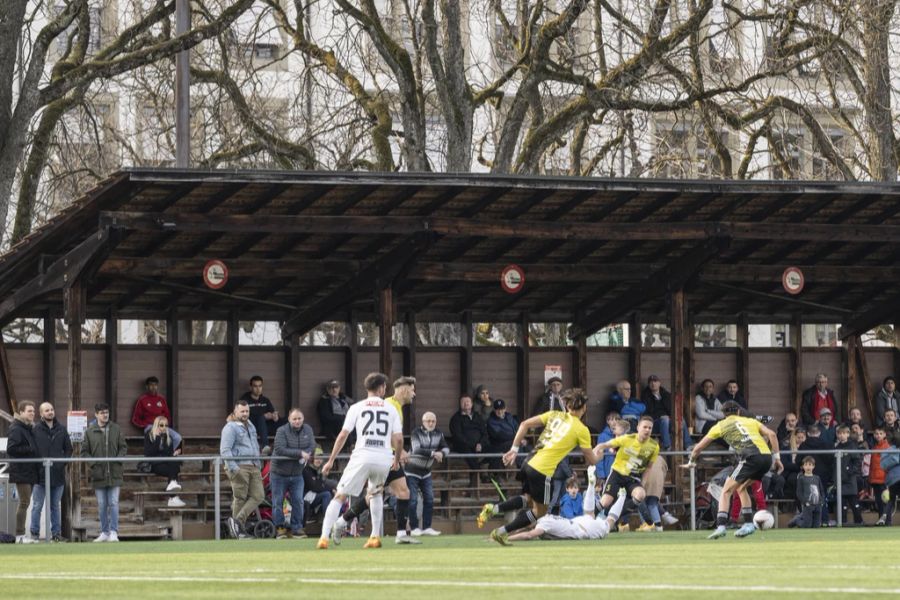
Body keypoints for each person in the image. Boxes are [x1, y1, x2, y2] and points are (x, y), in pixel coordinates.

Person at [477, 388, 598, 546]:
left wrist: (514, 449)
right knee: (540, 511)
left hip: (529, 462)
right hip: (542, 470)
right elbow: (592, 460)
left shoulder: (555, 415)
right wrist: (600, 450)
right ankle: (500, 533)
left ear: (567, 407)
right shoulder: (582, 430)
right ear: (584, 408)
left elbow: (524, 424)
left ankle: (493, 508)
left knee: (529, 500)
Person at [317, 372, 403, 550]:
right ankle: (375, 537)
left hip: (362, 455)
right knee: (376, 493)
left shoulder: (356, 407)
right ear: (381, 388)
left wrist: (331, 460)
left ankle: (324, 538)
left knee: (340, 495)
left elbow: (343, 435)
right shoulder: (390, 408)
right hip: (383, 457)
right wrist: (396, 459)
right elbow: (399, 440)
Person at [330, 376, 419, 545]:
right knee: (393, 492)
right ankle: (396, 533)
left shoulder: (394, 406)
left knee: (379, 493)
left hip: (382, 456)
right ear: (403, 389)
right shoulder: (389, 406)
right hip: (384, 457)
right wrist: (400, 454)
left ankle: (343, 522)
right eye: (412, 389)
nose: (414, 394)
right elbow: (393, 437)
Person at [684, 400, 783, 539]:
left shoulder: (720, 425)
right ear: (738, 411)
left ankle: (721, 526)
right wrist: (777, 458)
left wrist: (691, 462)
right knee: (741, 488)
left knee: (726, 491)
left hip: (750, 457)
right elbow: (772, 434)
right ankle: (748, 524)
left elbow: (699, 447)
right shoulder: (750, 421)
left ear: (723, 414)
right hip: (766, 458)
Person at [505, 465, 627, 542]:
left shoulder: (544, 525)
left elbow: (528, 535)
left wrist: (506, 538)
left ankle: (622, 496)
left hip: (584, 530)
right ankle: (591, 485)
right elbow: (526, 528)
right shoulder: (546, 518)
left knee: (609, 523)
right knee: (589, 514)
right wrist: (511, 531)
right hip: (579, 522)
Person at [593, 415, 659, 519]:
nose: (647, 430)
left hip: (633, 478)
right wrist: (598, 447)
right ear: (638, 427)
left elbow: (649, 468)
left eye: (650, 428)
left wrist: (642, 484)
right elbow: (607, 444)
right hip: (617, 473)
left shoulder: (654, 446)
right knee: (605, 502)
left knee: (641, 494)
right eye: (645, 427)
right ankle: (589, 517)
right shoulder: (627, 439)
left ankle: (616, 514)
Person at [82, 403, 127, 543]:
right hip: (98, 473)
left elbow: (123, 447)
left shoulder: (116, 428)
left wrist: (118, 460)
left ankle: (114, 531)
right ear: (96, 414)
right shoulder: (89, 431)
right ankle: (104, 532)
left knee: (113, 502)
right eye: (102, 412)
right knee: (102, 504)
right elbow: (84, 453)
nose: (105, 415)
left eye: (106, 412)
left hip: (114, 472)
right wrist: (94, 465)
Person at [220, 399, 264, 539]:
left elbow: (255, 445)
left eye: (247, 411)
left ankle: (236, 522)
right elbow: (225, 450)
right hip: (239, 466)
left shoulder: (250, 425)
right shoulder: (230, 427)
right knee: (240, 498)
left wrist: (258, 463)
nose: (245, 414)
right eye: (242, 411)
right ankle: (238, 531)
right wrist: (234, 468)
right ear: (235, 411)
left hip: (254, 465)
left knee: (259, 496)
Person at [31, 402, 72, 543]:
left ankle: (56, 534)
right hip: (40, 476)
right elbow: (32, 450)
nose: (50, 412)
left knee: (55, 506)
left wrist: (61, 464)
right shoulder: (35, 429)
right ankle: (34, 534)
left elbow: (69, 450)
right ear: (41, 414)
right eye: (47, 410)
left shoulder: (62, 429)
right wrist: (37, 467)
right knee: (37, 506)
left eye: (52, 409)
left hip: (57, 475)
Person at [271, 408, 316, 539]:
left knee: (298, 501)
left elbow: (312, 445)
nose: (297, 421)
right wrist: (300, 454)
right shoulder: (281, 431)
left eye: (299, 418)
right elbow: (279, 449)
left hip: (297, 473)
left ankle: (296, 528)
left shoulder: (308, 429)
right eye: (294, 419)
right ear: (289, 420)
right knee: (278, 501)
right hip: (279, 473)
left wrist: (307, 453)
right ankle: (280, 528)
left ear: (303, 419)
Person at [406, 411, 449, 536]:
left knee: (430, 499)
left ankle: (427, 527)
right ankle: (414, 528)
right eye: (428, 421)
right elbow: (416, 449)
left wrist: (442, 453)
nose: (431, 423)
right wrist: (433, 453)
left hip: (426, 472)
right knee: (413, 500)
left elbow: (446, 447)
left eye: (433, 421)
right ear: (423, 422)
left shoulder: (439, 433)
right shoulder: (416, 432)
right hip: (412, 471)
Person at [7, 401, 39, 543]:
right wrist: (30, 449)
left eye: (33, 411)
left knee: (25, 502)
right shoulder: (16, 428)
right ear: (21, 412)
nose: (32, 413)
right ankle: (20, 535)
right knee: (24, 502)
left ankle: (22, 535)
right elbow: (11, 449)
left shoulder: (29, 428)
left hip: (29, 470)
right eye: (29, 411)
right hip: (21, 471)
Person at [641, 374, 692, 451]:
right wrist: (660, 416)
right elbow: (646, 412)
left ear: (659, 383)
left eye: (655, 381)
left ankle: (688, 445)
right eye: (651, 382)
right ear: (648, 384)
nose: (653, 384)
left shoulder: (666, 394)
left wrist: (673, 417)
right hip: (654, 422)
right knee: (664, 419)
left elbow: (672, 409)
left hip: (667, 420)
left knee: (681, 420)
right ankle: (667, 446)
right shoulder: (645, 395)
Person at [143, 416, 185, 507]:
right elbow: (149, 453)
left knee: (175, 464)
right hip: (154, 463)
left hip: (165, 461)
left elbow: (168, 453)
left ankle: (172, 488)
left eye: (166, 425)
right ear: (156, 425)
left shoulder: (168, 437)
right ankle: (173, 497)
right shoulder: (149, 436)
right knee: (174, 470)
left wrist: (174, 453)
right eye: (161, 425)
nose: (164, 427)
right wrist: (157, 438)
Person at [637, 455, 679, 531]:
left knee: (640, 502)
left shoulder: (642, 456)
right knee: (652, 503)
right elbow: (665, 469)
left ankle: (646, 525)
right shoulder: (660, 458)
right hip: (658, 482)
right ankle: (659, 524)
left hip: (645, 481)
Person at [239, 375, 278, 453]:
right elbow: (243, 415)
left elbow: (272, 412)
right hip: (251, 426)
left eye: (260, 386)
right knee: (260, 417)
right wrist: (263, 416)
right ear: (250, 387)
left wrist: (274, 416)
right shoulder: (245, 399)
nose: (258, 389)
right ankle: (265, 446)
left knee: (286, 419)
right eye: (255, 386)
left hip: (265, 427)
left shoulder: (265, 400)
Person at [449, 394, 488, 470]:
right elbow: (458, 436)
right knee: (467, 452)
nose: (466, 403)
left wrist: (480, 444)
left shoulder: (477, 416)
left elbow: (485, 433)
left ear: (472, 404)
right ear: (460, 404)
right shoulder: (456, 418)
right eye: (463, 402)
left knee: (496, 451)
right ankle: (480, 473)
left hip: (479, 446)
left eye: (468, 401)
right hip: (463, 446)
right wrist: (474, 445)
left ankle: (494, 475)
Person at [834, 425, 863, 525]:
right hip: (839, 480)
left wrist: (850, 471)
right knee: (842, 504)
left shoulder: (852, 446)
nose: (841, 435)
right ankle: (843, 522)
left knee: (854, 502)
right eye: (839, 433)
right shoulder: (837, 447)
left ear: (847, 434)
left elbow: (857, 461)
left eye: (843, 433)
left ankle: (859, 521)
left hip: (850, 480)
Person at [302, 446, 337, 526]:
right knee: (327, 494)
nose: (319, 460)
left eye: (321, 458)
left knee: (331, 492)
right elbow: (315, 487)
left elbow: (321, 485)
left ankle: (330, 520)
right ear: (312, 459)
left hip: (313, 497)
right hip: (305, 497)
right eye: (317, 458)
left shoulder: (317, 470)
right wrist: (331, 490)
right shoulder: (306, 470)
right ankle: (328, 523)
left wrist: (332, 489)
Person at [788, 457, 823, 528]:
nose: (808, 467)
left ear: (813, 466)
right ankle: (797, 520)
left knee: (816, 526)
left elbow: (821, 490)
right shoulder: (801, 478)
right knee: (807, 525)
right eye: (806, 465)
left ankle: (802, 517)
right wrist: (805, 502)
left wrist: (821, 501)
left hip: (817, 504)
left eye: (810, 465)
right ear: (803, 467)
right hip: (808, 505)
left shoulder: (817, 478)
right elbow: (799, 493)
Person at [316, 380, 353, 445]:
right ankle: (350, 446)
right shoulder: (324, 400)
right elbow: (326, 417)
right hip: (332, 427)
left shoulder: (345, 398)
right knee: (345, 424)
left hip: (346, 423)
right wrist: (342, 418)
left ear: (339, 388)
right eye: (331, 388)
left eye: (336, 387)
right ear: (327, 389)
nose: (334, 390)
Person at [486, 398, 520, 469]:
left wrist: (521, 437)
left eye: (502, 409)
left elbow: (517, 427)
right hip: (498, 445)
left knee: (528, 446)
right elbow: (500, 435)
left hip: (513, 441)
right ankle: (519, 469)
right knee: (515, 445)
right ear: (494, 410)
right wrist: (517, 438)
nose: (500, 411)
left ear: (505, 409)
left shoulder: (509, 416)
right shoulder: (491, 420)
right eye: (497, 409)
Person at [869, 426, 891, 525]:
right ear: (874, 435)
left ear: (884, 435)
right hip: (875, 480)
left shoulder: (888, 447)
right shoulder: (874, 448)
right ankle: (881, 521)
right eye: (876, 434)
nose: (878, 435)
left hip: (884, 480)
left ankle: (887, 522)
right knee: (879, 503)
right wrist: (870, 478)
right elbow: (871, 465)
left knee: (885, 501)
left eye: (880, 433)